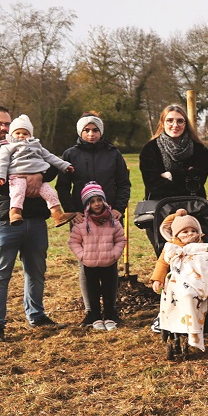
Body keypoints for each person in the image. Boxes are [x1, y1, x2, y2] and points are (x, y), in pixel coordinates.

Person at [0, 106, 60, 341]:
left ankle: (36, 315)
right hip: (1, 221)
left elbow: (48, 167)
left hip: (36, 218)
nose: (5, 128)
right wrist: (21, 181)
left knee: (36, 271)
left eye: (7, 123)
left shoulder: (26, 142)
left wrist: (38, 176)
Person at [58, 112, 132, 322]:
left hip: (109, 216)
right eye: (86, 130)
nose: (91, 134)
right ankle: (91, 311)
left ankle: (111, 311)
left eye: (95, 130)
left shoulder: (113, 153)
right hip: (82, 219)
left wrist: (119, 208)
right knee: (87, 262)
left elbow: (123, 184)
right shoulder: (70, 154)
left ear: (101, 131)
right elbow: (63, 186)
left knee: (109, 262)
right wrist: (73, 212)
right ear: (80, 132)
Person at [150, 209, 208, 352]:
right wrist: (157, 279)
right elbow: (162, 264)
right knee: (187, 295)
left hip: (207, 277)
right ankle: (191, 329)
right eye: (184, 232)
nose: (190, 234)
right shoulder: (172, 247)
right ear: (176, 235)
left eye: (193, 230)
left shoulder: (205, 243)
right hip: (184, 280)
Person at [0, 114, 77, 227]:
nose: (21, 136)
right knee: (17, 193)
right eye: (18, 133)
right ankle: (15, 213)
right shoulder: (7, 147)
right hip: (18, 176)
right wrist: (0, 176)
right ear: (11, 134)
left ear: (30, 135)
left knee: (50, 193)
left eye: (25, 133)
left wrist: (65, 165)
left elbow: (51, 157)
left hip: (38, 177)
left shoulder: (37, 145)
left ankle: (58, 215)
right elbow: (2, 162)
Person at [68, 182, 127, 330]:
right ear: (87, 204)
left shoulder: (113, 221)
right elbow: (73, 241)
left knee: (109, 290)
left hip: (109, 261)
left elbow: (120, 239)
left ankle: (109, 316)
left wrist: (115, 254)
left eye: (99, 200)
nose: (97, 204)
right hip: (90, 264)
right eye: (92, 201)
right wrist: (83, 256)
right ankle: (95, 317)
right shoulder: (81, 223)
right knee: (92, 290)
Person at [140, 104, 208, 200]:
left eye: (180, 121)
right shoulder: (150, 149)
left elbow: (196, 183)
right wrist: (187, 174)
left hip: (193, 204)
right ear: (162, 123)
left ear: (185, 124)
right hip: (159, 206)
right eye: (169, 121)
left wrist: (171, 175)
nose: (175, 125)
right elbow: (153, 185)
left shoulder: (199, 150)